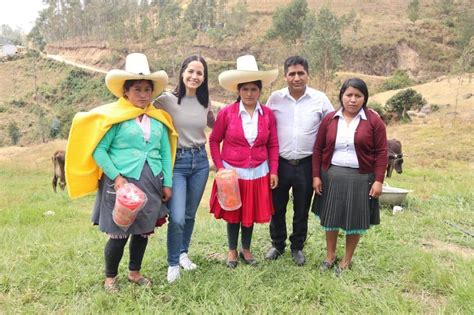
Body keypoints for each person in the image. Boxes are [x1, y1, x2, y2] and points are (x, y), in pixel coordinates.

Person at [65, 53, 178, 292]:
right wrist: (117, 177)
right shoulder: (113, 119)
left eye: (147, 89)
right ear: (125, 91)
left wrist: (167, 182)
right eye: (137, 89)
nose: (144, 94)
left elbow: (166, 153)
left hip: (151, 183)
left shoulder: (158, 119)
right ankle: (110, 278)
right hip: (120, 185)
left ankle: (134, 273)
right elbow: (99, 150)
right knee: (119, 233)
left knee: (142, 232)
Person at [312, 77, 387, 276]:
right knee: (331, 217)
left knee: (354, 219)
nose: (352, 100)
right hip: (331, 176)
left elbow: (381, 152)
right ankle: (330, 256)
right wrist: (316, 176)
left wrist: (379, 180)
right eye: (349, 95)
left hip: (361, 178)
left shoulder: (373, 121)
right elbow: (318, 148)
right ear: (341, 96)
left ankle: (346, 260)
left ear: (365, 98)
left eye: (358, 96)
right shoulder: (330, 119)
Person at [209, 55, 279, 268]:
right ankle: (232, 250)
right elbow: (214, 140)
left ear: (260, 91)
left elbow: (273, 145)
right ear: (238, 91)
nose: (249, 94)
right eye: (245, 89)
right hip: (233, 171)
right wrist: (221, 169)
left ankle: (245, 249)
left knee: (249, 211)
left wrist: (274, 170)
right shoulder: (227, 114)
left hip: (258, 171)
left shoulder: (267, 114)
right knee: (234, 212)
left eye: (254, 89)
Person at [265, 56, 334, 266]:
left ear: (308, 75)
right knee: (276, 207)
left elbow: (334, 125)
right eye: (292, 74)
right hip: (279, 164)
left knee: (302, 208)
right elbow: (265, 125)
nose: (296, 78)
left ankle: (297, 247)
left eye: (300, 73)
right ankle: (277, 244)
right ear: (285, 76)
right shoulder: (275, 99)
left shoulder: (320, 99)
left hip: (306, 164)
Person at [154, 55, 215, 283]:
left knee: (189, 214)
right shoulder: (166, 100)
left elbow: (213, 123)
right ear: (182, 72)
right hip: (176, 163)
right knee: (177, 217)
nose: (195, 76)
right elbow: (143, 109)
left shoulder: (204, 100)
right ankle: (172, 263)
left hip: (200, 161)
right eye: (191, 71)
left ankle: (182, 253)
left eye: (200, 73)